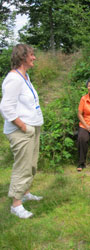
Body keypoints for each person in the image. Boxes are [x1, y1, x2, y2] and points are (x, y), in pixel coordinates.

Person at [0, 44, 44, 219]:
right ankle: (16, 204)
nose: (34, 58)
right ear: (22, 57)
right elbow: (6, 108)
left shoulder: (25, 77)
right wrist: (23, 126)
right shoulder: (14, 79)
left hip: (32, 128)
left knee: (31, 165)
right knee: (22, 166)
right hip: (22, 130)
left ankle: (25, 193)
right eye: (31, 55)